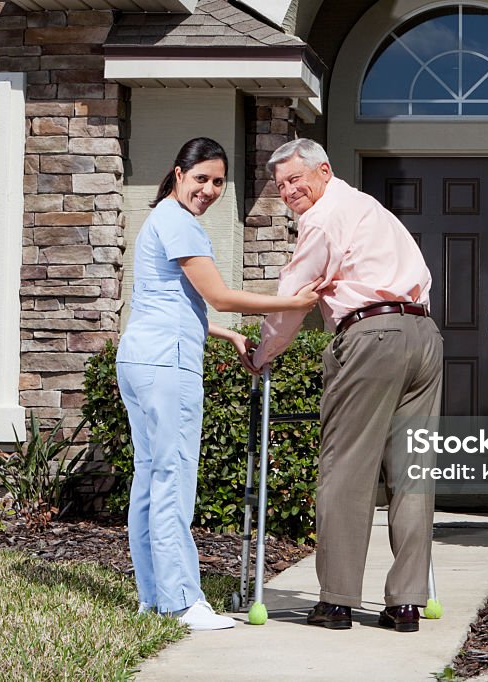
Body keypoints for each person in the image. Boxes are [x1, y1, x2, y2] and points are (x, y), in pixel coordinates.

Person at [116, 137, 320, 631]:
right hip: (168, 366)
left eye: (218, 182)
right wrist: (292, 304)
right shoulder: (178, 223)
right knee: (173, 478)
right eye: (201, 178)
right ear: (178, 173)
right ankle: (184, 602)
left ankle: (153, 595)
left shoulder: (158, 220)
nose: (208, 190)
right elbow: (220, 295)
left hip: (141, 359)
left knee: (150, 478)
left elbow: (171, 302)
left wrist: (225, 333)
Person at [252, 138, 443, 633]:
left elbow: (293, 295)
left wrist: (263, 353)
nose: (289, 191)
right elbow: (420, 274)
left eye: (296, 179)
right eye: (281, 185)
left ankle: (336, 603)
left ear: (324, 170)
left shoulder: (322, 219)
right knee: (413, 474)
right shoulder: (369, 207)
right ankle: (406, 605)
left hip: (371, 335)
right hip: (423, 335)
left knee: (346, 469)